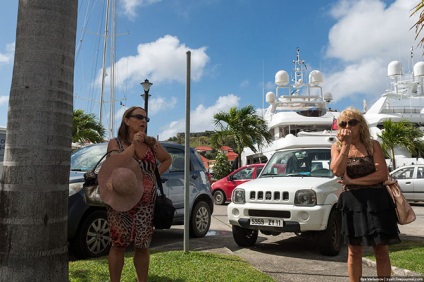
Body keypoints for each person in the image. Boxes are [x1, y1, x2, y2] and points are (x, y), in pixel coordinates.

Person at [330, 107, 400, 282]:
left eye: (352, 122)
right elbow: (337, 171)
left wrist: (353, 181)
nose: (348, 126)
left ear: (360, 125)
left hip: (376, 202)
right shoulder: (337, 147)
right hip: (352, 204)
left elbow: (382, 174)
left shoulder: (372, 145)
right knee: (354, 251)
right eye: (343, 124)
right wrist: (345, 145)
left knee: (381, 249)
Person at [103, 106, 172, 282]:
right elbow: (115, 163)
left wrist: (153, 177)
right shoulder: (115, 143)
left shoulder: (150, 144)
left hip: (146, 203)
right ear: (126, 120)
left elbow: (167, 159)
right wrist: (133, 144)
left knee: (142, 246)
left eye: (146, 119)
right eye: (139, 117)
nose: (143, 121)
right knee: (118, 244)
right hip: (120, 201)